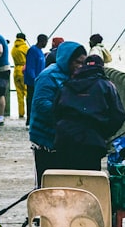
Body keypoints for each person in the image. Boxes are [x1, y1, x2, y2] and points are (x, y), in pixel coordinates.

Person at [28, 40, 87, 186]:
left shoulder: (74, 76)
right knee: (48, 183)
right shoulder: (48, 76)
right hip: (46, 139)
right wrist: (67, 114)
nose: (80, 67)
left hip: (64, 138)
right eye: (77, 63)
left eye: (83, 63)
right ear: (66, 59)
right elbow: (41, 104)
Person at [53, 54, 125, 171]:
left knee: (66, 179)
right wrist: (104, 133)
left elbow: (56, 111)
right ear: (102, 68)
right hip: (92, 142)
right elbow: (118, 116)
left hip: (65, 139)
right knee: (89, 181)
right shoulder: (107, 86)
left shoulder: (66, 85)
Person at [23, 33, 47, 127]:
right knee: (31, 101)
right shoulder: (33, 50)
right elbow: (30, 67)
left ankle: (36, 119)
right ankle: (29, 120)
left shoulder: (41, 52)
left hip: (40, 81)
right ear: (42, 41)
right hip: (33, 82)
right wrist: (34, 79)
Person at [10, 32, 29, 120]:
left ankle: (21, 113)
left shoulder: (14, 48)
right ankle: (29, 112)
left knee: (19, 93)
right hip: (24, 70)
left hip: (16, 70)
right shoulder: (24, 47)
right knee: (26, 92)